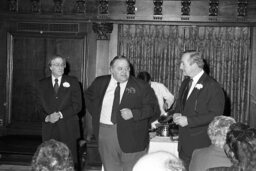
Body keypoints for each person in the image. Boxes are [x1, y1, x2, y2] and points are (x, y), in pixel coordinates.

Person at [84, 55, 160, 171]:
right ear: (111, 70)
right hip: (106, 134)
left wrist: (134, 114)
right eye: (120, 68)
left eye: (127, 68)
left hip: (133, 136)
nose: (124, 72)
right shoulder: (100, 82)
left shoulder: (141, 86)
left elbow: (153, 109)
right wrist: (97, 113)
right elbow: (88, 97)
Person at [173, 50, 225, 170]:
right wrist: (176, 113)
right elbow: (180, 105)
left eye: (183, 63)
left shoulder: (212, 86)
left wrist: (189, 121)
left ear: (194, 64)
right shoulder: (185, 82)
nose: (180, 67)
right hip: (183, 146)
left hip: (200, 146)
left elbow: (216, 115)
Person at [36, 55, 82, 165]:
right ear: (50, 67)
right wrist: (47, 117)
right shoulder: (42, 84)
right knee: (49, 162)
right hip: (49, 129)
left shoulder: (73, 82)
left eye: (62, 65)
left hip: (68, 128)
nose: (60, 67)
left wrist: (60, 114)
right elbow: (38, 107)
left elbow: (78, 105)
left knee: (68, 162)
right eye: (57, 65)